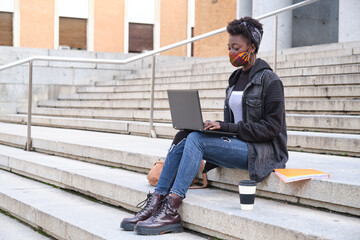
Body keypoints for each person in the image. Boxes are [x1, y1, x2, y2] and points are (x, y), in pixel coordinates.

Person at [120, 16, 288, 235]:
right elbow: (233, 121)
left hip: (261, 152)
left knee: (196, 140)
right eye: (229, 47)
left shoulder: (270, 81)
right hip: (238, 143)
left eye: (236, 47)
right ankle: (157, 201)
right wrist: (212, 126)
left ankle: (172, 208)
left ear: (252, 47)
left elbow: (271, 129)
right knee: (185, 134)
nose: (231, 52)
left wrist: (226, 128)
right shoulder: (235, 78)